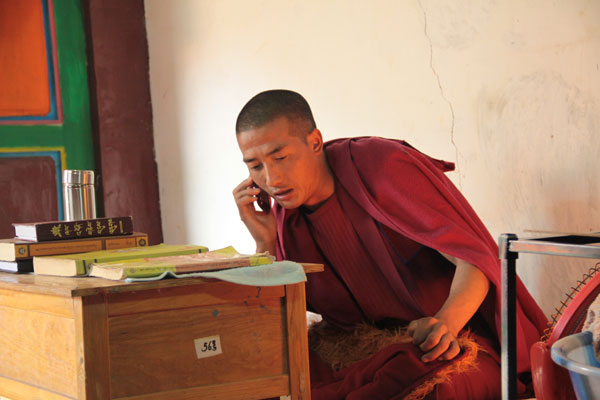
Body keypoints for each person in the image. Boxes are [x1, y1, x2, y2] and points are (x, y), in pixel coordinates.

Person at [233, 89, 547, 399]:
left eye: (280, 158)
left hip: (455, 340)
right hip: (365, 347)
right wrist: (265, 240)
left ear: (315, 142)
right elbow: (277, 320)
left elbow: (474, 258)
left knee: (428, 388)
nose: (271, 179)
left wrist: (446, 325)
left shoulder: (379, 167)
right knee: (262, 378)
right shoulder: (287, 216)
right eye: (255, 166)